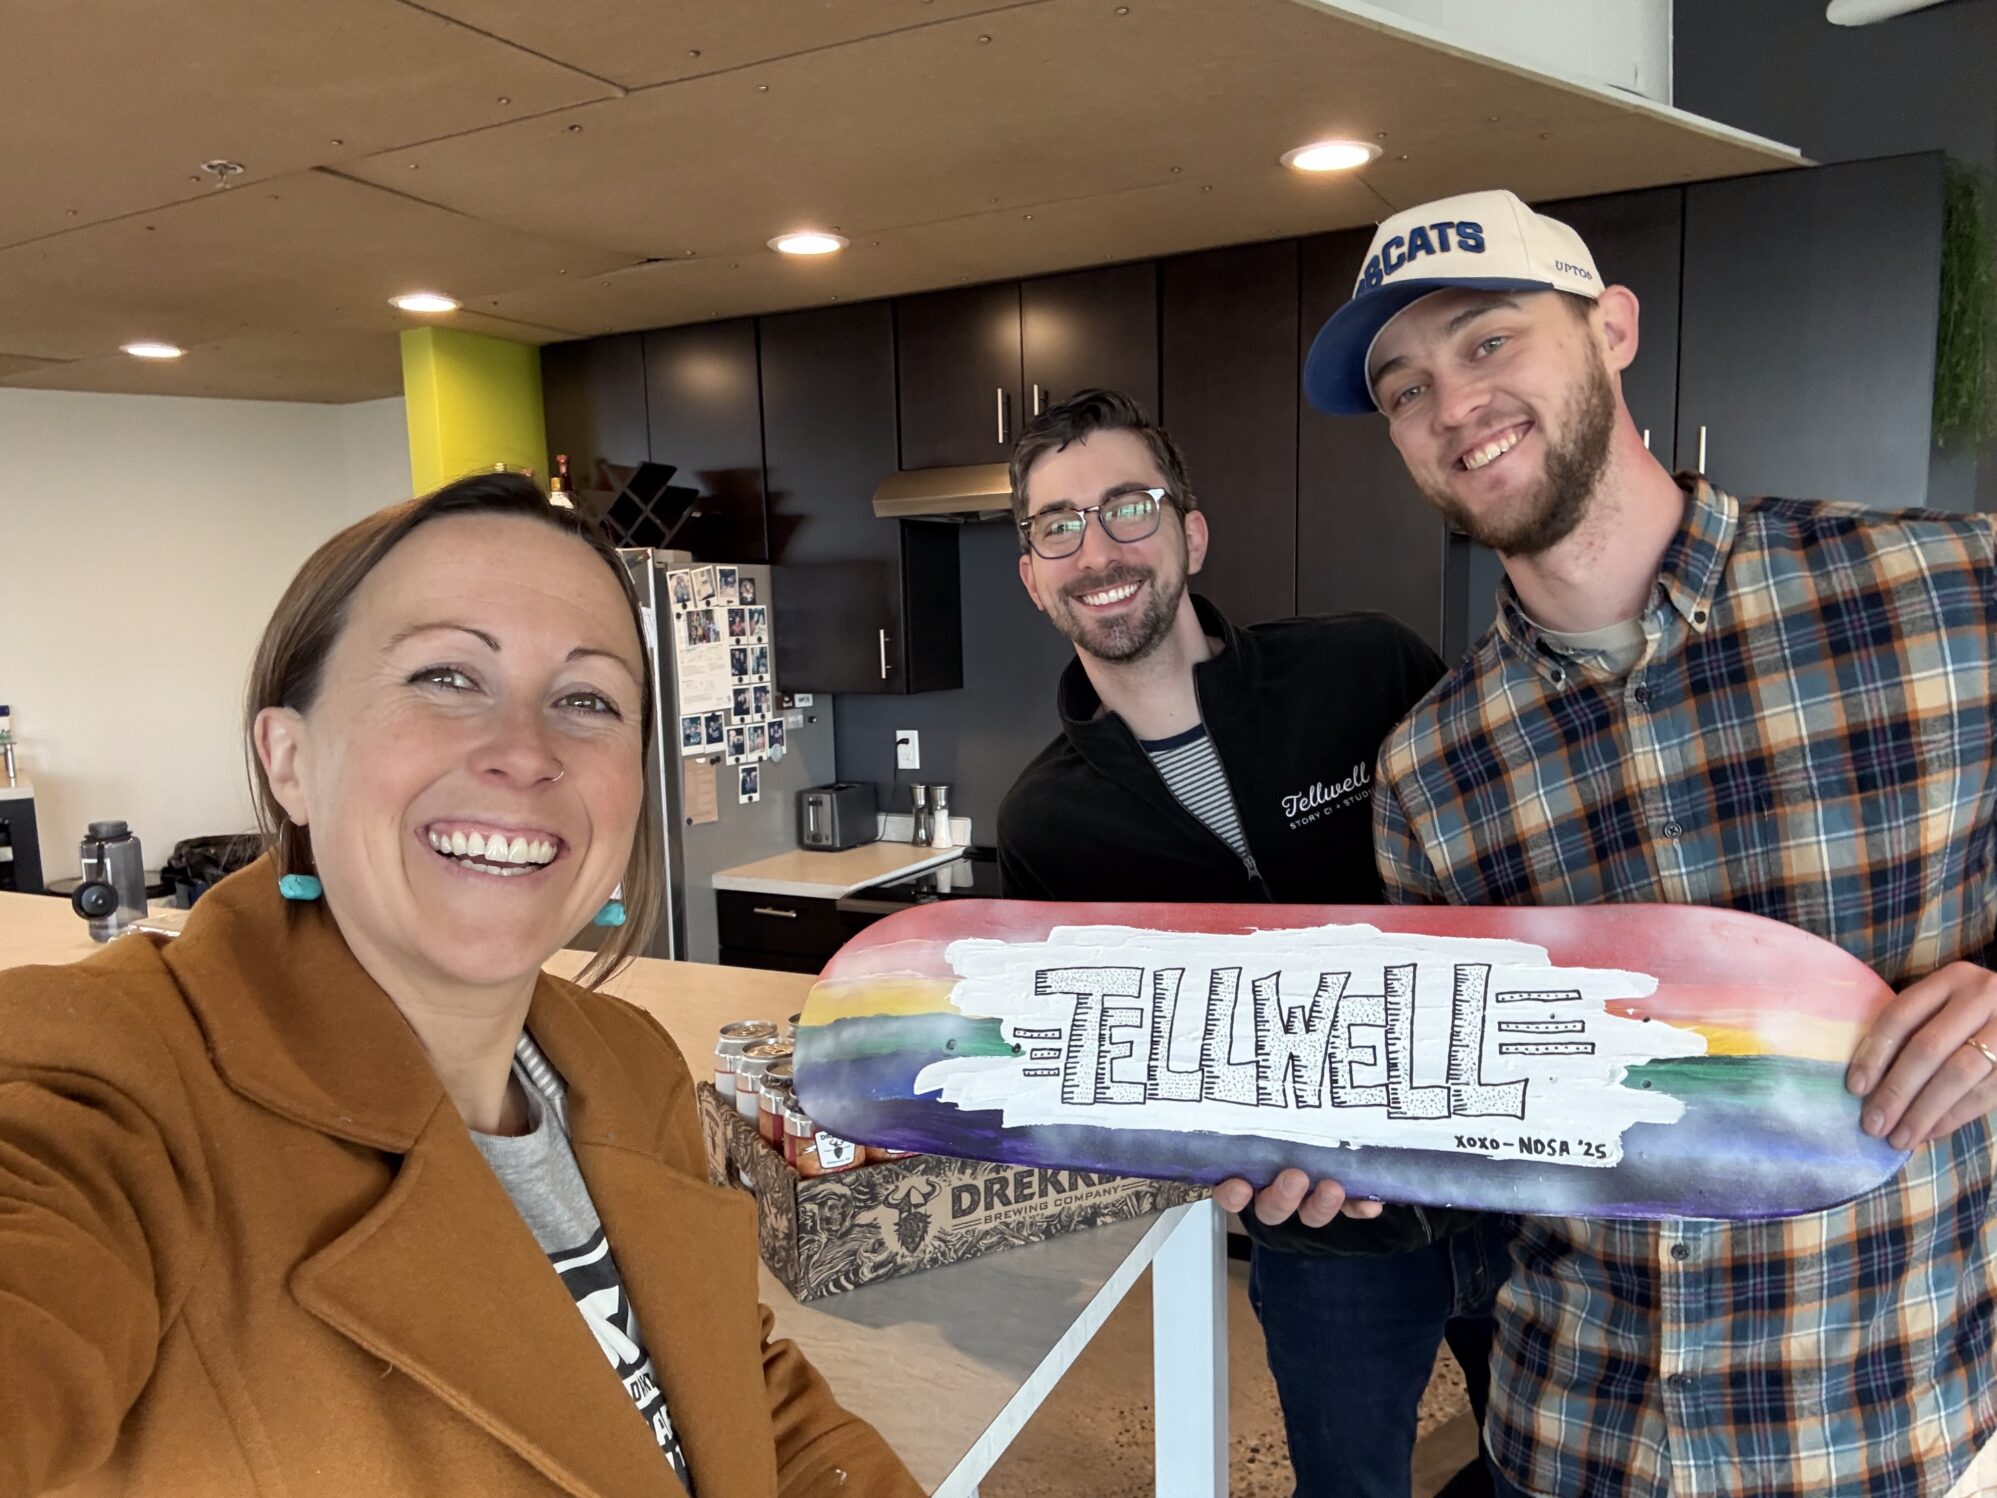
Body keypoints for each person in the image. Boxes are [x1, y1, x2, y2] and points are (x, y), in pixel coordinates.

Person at [1222, 186, 1997, 1496]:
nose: (1449, 404)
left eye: (1486, 340)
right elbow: (1473, 1147)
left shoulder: (1945, 591)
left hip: (1897, 1427)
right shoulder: (1432, 765)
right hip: (1578, 1438)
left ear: (1613, 328)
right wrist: (1337, 1163)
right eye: (1403, 387)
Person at [0, 474, 918, 1497]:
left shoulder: (624, 1063)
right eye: (445, 676)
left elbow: (737, 1396)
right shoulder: (108, 1081)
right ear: (288, 756)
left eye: (586, 699)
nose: (526, 751)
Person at [997, 389, 1508, 1498]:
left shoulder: (1364, 669)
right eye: (1056, 525)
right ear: (1033, 577)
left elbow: (1510, 866)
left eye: (1128, 506)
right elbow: (1102, 1080)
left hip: (1513, 1182)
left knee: (1556, 1469)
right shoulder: (1045, 824)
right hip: (1318, 1235)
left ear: (1189, 530)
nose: (1097, 548)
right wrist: (1213, 1156)